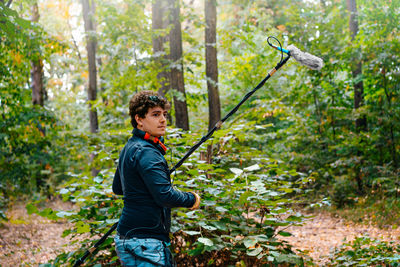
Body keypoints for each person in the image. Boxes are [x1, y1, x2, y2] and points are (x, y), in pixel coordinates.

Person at [113, 90, 200, 267]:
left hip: (127, 238)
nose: (162, 120)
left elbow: (118, 188)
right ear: (139, 119)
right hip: (145, 243)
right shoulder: (147, 152)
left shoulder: (130, 146)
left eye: (164, 114)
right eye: (155, 115)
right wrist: (192, 199)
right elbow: (164, 196)